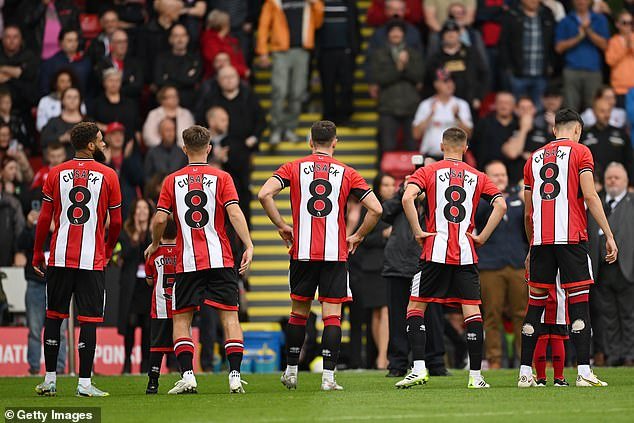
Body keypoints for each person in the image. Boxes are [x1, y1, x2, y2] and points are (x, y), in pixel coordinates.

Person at [258, 120, 382, 390]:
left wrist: (282, 226)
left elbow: (264, 193)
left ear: (310, 142)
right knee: (332, 317)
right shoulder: (347, 172)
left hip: (302, 252)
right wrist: (358, 236)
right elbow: (376, 209)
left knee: (298, 314)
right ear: (335, 142)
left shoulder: (292, 167)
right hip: (334, 253)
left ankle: (291, 371)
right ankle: (328, 377)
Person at [144, 125, 254, 394]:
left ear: (184, 149)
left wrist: (156, 243)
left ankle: (189, 376)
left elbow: (160, 218)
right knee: (230, 319)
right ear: (209, 148)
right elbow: (235, 214)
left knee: (181, 320)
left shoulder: (171, 180)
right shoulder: (222, 178)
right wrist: (249, 244)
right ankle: (235, 376)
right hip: (221, 258)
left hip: (187, 261)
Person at [397, 127, 506, 389]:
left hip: (434, 249)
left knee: (415, 308)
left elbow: (407, 197)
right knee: (472, 312)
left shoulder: (428, 171)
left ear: (442, 146)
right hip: (466, 253)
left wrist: (417, 231)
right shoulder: (478, 176)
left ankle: (419, 369)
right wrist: (482, 237)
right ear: (466, 149)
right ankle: (476, 377)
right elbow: (500, 204)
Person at [518, 108, 616, 388]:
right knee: (578, 304)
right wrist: (608, 234)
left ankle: (525, 373)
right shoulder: (581, 152)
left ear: (554, 130)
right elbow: (590, 195)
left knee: (535, 305)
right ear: (577, 130)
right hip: (571, 238)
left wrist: (531, 246)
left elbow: (528, 213)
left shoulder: (532, 159)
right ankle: (584, 372)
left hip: (541, 242)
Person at [32, 122, 123, 397]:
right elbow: (116, 221)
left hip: (59, 255)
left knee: (53, 317)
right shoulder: (109, 175)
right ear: (92, 145)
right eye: (101, 139)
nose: (105, 143)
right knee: (89, 320)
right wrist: (107, 250)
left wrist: (38, 252)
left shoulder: (55, 173)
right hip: (90, 259)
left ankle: (49, 380)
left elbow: (44, 219)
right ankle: (84, 383)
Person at [382, 162, 448, 378]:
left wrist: (426, 192)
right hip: (399, 263)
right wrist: (404, 190)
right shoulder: (404, 196)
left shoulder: (438, 194)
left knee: (434, 317)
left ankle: (436, 362)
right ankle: (398, 364)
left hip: (429, 261)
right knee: (398, 317)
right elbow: (384, 212)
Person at [475, 161, 528, 369]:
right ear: (486, 178)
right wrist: (490, 198)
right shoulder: (480, 201)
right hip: (490, 265)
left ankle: (525, 359)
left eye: (503, 175)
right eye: (495, 175)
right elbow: (476, 220)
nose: (500, 178)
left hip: (517, 264)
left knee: (522, 314)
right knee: (492, 315)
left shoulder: (519, 200)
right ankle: (495, 359)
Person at [198, 66, 264, 224]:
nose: (226, 123)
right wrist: (214, 159)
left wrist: (226, 159)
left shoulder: (236, 143)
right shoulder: (202, 143)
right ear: (211, 121)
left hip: (236, 193)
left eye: (226, 120)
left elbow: (261, 120)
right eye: (222, 120)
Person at [256, 0, 324, 145]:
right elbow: (263, 25)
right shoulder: (273, 2)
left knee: (298, 92)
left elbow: (318, 23)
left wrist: (316, 4)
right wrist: (262, 51)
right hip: (280, 52)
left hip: (302, 51)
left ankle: (290, 129)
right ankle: (276, 129)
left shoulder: (309, 2)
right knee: (279, 91)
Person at [588, 163, 634, 367]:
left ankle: (630, 354)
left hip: (627, 269)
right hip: (602, 270)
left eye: (617, 178)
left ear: (626, 181)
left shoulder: (632, 203)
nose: (612, 181)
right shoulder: (595, 203)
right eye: (609, 178)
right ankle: (613, 354)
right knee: (607, 315)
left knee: (628, 314)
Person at [349, 173, 395, 369]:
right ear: (378, 187)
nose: (390, 188)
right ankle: (381, 357)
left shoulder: (397, 207)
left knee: (383, 311)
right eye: (385, 184)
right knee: (378, 312)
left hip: (389, 265)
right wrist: (384, 235)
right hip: (369, 267)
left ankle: (381, 356)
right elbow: (360, 237)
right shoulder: (369, 207)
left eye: (393, 184)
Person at [18, 203, 68, 376]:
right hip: (35, 282)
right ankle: (33, 368)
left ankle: (60, 368)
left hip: (57, 282)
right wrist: (29, 225)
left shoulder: (65, 221)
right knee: (34, 328)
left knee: (60, 329)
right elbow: (21, 244)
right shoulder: (35, 226)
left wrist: (57, 227)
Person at [370, 19, 424, 152]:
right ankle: (383, 173)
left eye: (399, 31)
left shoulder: (413, 53)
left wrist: (405, 67)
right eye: (393, 31)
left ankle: (415, 173)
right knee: (387, 146)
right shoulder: (379, 54)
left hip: (410, 106)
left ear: (403, 34)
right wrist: (399, 68)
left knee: (412, 146)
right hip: (388, 106)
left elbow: (419, 76)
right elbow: (379, 78)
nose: (396, 34)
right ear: (388, 34)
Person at [118, 198, 153, 374]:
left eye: (145, 208)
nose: (141, 211)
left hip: (148, 286)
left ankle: (146, 364)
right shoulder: (126, 231)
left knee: (148, 326)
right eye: (138, 207)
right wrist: (135, 236)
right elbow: (122, 256)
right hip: (131, 286)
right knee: (130, 325)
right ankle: (126, 362)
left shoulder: (154, 232)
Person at [499, 0, 556, 109]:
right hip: (517, 74)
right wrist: (508, 68)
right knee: (517, 110)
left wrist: (551, 65)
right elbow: (503, 44)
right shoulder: (512, 14)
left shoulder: (547, 14)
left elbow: (553, 43)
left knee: (539, 111)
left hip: (541, 74)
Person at [555, 0, 609, 111]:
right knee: (570, 109)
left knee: (593, 109)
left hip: (593, 71)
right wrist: (578, 38)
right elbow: (558, 48)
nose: (581, 1)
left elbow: (604, 45)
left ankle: (590, 129)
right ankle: (572, 129)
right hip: (571, 70)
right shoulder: (566, 20)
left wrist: (588, 31)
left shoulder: (599, 19)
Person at [145, 216, 178, 394]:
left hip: (159, 307)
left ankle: (152, 382)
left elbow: (150, 281)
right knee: (181, 342)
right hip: (180, 308)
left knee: (157, 347)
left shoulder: (153, 253)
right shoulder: (183, 251)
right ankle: (186, 377)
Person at [425, 20, 489, 111]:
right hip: (444, 104)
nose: (451, 35)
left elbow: (484, 75)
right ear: (442, 36)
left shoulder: (471, 53)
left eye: (454, 32)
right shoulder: (436, 58)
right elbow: (429, 81)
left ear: (459, 35)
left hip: (470, 101)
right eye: (447, 32)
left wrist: (479, 97)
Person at [413, 69, 473, 161]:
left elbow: (469, 134)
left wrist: (457, 117)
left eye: (452, 81)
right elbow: (416, 134)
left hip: (455, 157)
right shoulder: (426, 105)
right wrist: (430, 115)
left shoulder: (461, 105)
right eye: (445, 81)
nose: (450, 84)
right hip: (431, 156)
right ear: (436, 84)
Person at [317, 0, 360, 125]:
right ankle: (328, 116)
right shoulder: (319, 3)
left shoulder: (349, 3)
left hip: (346, 51)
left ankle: (346, 116)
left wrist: (355, 49)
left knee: (347, 85)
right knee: (327, 86)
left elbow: (355, 26)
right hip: (325, 52)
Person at [581, 98, 633, 180]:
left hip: (617, 182)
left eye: (608, 111)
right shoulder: (584, 135)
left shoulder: (621, 134)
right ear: (594, 112)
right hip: (593, 184)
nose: (606, 115)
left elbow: (630, 161)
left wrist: (631, 185)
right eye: (602, 111)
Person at [154, 24, 202, 110]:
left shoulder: (195, 58)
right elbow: (159, 81)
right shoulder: (161, 58)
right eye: (176, 36)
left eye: (183, 35)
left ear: (187, 38)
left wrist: (169, 77)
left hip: (190, 104)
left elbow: (193, 80)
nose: (180, 39)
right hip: (166, 104)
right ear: (170, 39)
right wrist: (185, 79)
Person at [532, 280, 569, 386]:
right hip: (558, 302)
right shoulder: (562, 262)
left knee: (540, 338)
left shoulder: (534, 262)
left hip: (538, 303)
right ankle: (559, 378)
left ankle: (540, 379)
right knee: (557, 338)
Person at [91, 68, 141, 144]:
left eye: (117, 81)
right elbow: (90, 122)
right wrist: (101, 127)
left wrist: (134, 142)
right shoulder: (97, 103)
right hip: (102, 144)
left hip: (128, 144)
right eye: (110, 80)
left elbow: (136, 126)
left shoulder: (130, 103)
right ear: (104, 82)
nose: (114, 84)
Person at [94, 30, 144, 104]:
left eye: (125, 41)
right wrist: (127, 82)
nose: (123, 45)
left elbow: (137, 87)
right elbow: (101, 86)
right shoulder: (102, 64)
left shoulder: (135, 63)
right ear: (111, 44)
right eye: (119, 42)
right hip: (107, 103)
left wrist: (114, 87)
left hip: (130, 104)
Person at [470, 92, 517, 170]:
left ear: (514, 106)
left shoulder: (519, 124)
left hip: (512, 171)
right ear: (495, 104)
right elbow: (472, 145)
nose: (503, 106)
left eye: (507, 103)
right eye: (500, 102)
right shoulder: (483, 123)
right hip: (485, 170)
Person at [39, 29, 91, 97]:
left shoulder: (86, 62)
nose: (74, 44)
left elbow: (90, 88)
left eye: (75, 40)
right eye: (69, 41)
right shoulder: (50, 63)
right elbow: (44, 88)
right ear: (61, 43)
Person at [136, 0, 179, 82]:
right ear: (167, 11)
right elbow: (142, 58)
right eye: (176, 9)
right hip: (153, 79)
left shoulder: (179, 29)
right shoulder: (146, 31)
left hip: (176, 79)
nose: (179, 11)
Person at [200, 10, 249, 80]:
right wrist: (242, 71)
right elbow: (219, 63)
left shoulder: (232, 40)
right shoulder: (209, 41)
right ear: (223, 24)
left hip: (238, 76)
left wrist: (244, 70)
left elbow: (240, 58)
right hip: (219, 78)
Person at [0, 26, 38, 114]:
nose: (11, 40)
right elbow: (19, 73)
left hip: (24, 106)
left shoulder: (29, 56)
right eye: (8, 37)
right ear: (2, 39)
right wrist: (15, 72)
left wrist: (3, 69)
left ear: (21, 39)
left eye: (15, 37)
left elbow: (25, 73)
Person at [40, 87, 84, 156]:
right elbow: (43, 141)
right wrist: (61, 139)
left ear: (80, 100)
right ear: (62, 100)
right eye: (69, 97)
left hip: (84, 162)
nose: (72, 100)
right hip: (60, 163)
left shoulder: (88, 121)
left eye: (76, 97)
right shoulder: (54, 121)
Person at [144, 118, 187, 182]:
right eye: (167, 130)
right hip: (157, 190)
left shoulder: (181, 153)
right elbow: (147, 177)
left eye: (172, 130)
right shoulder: (152, 153)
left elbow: (186, 176)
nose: (170, 133)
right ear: (160, 132)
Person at [605, 11, 634, 103]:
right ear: (617, 24)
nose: (628, 26)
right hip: (619, 89)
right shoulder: (613, 41)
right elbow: (610, 61)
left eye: (631, 23)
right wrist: (625, 49)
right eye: (625, 23)